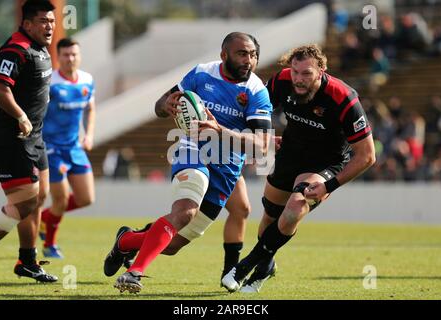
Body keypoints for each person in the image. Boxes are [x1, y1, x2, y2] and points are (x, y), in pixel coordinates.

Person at [103, 32, 273, 293]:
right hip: (192, 150)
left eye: (253, 55)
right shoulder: (201, 74)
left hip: (226, 167)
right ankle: (134, 272)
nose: (248, 60)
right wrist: (166, 106)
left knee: (172, 246)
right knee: (185, 212)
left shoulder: (256, 92)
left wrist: (219, 131)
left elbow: (260, 146)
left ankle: (126, 240)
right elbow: (161, 104)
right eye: (242, 53)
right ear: (224, 54)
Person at [222, 44, 376, 293]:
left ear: (322, 70)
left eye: (306, 73)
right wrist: (263, 137)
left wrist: (329, 185)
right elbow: (256, 114)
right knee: (270, 218)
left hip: (326, 162)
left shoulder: (343, 98)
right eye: (295, 71)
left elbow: (367, 156)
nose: (299, 79)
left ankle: (245, 267)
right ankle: (267, 266)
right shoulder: (282, 80)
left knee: (294, 209)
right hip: (290, 154)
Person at [0, 0, 58, 282]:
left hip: (36, 137)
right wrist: (21, 116)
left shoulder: (40, 48)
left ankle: (28, 261)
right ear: (28, 23)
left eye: (52, 21)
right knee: (23, 204)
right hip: (13, 138)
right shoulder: (15, 49)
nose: (50, 26)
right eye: (44, 21)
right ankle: (27, 259)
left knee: (40, 197)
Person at [39, 38, 96, 258]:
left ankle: (46, 217)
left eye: (74, 54)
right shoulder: (50, 82)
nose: (70, 58)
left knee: (86, 199)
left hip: (74, 148)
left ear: (79, 56)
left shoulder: (87, 80)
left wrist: (89, 135)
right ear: (58, 57)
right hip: (51, 148)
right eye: (65, 54)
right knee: (61, 199)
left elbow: (90, 108)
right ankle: (49, 245)